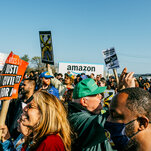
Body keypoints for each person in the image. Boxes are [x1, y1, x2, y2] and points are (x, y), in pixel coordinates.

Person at [68, 78, 114, 151]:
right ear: (84, 101)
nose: (101, 97)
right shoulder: (76, 119)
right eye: (96, 95)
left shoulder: (89, 112)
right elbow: (107, 122)